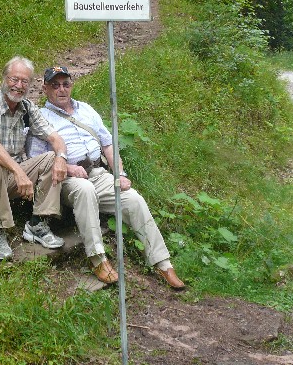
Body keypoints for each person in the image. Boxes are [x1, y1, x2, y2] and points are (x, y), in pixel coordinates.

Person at [27, 66, 186, 290]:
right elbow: (36, 159)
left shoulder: (86, 110)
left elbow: (108, 144)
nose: (61, 89)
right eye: (55, 85)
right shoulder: (41, 117)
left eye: (65, 84)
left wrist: (119, 174)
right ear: (45, 89)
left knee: (133, 199)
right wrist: (69, 168)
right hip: (65, 180)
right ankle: (98, 259)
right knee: (85, 190)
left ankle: (162, 263)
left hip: (97, 173)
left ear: (71, 85)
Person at [0, 56, 69, 261]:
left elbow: (54, 137)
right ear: (4, 78)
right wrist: (18, 171)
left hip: (10, 180)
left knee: (51, 158)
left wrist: (61, 157)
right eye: (14, 79)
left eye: (24, 81)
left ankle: (38, 223)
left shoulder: (27, 108)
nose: (19, 86)